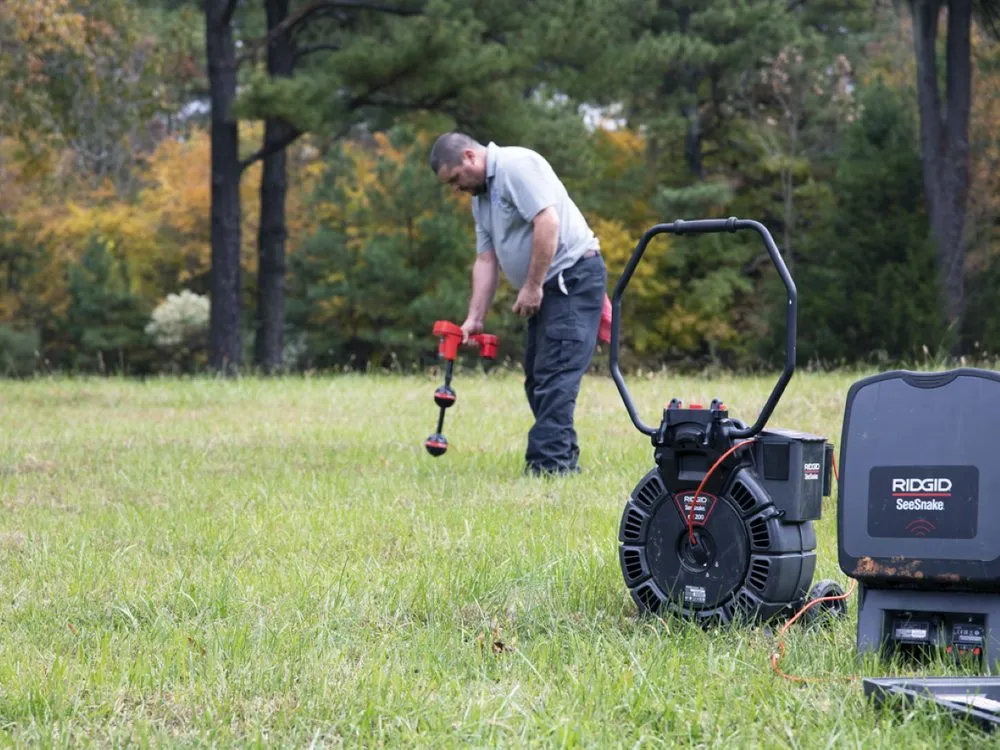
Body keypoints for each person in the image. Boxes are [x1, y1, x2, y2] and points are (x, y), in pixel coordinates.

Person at [429, 131, 608, 476]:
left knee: (554, 375)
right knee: (537, 377)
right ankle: (563, 462)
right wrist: (475, 318)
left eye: (455, 179)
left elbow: (548, 221)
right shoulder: (481, 197)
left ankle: (547, 467)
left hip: (570, 278)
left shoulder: (516, 166)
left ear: (469, 157)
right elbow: (485, 259)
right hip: (548, 285)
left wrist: (532, 286)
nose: (456, 189)